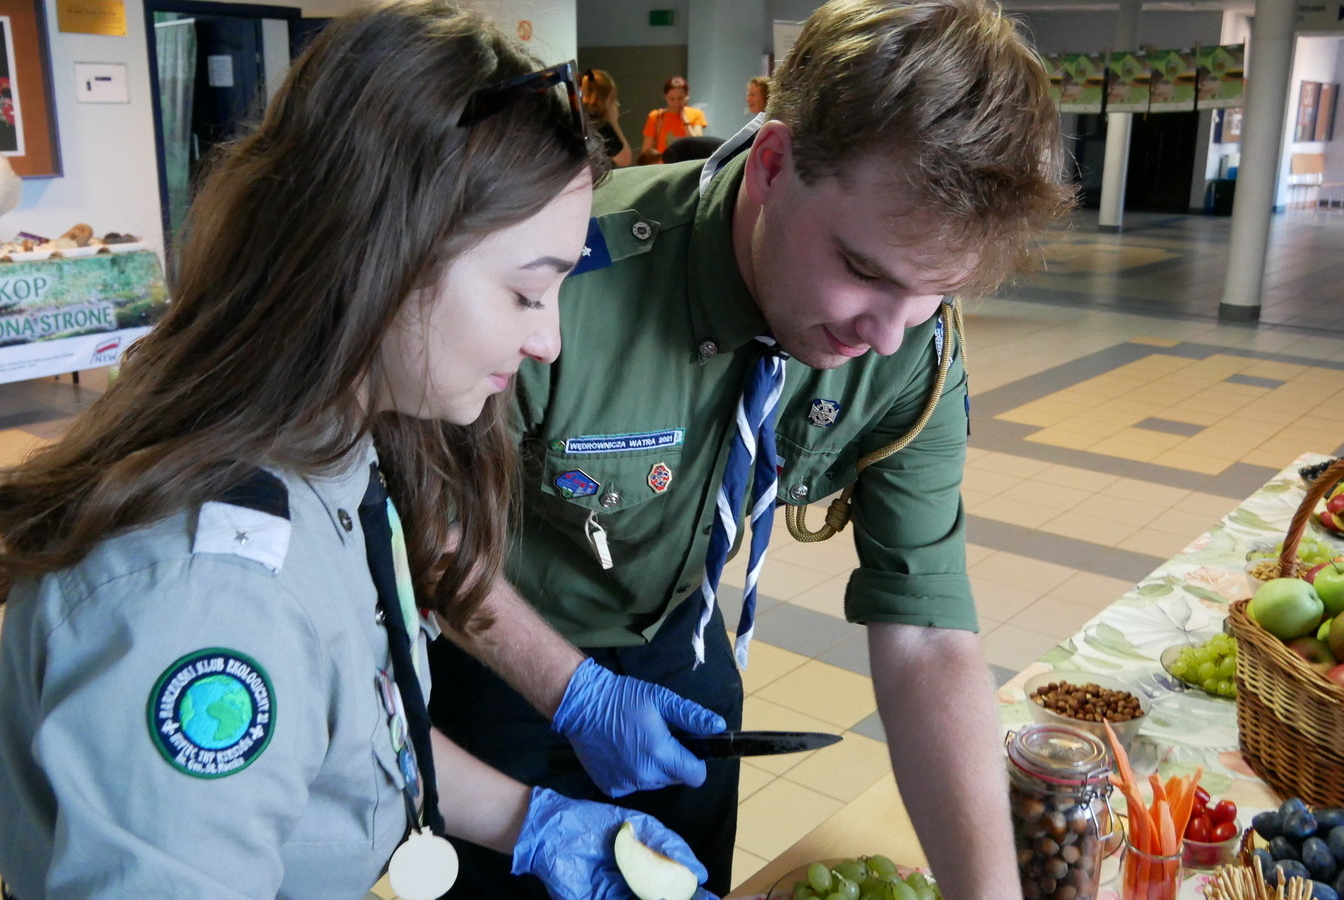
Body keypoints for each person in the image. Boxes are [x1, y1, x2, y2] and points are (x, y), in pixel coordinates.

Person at [0, 4, 717, 899]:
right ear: (383, 254)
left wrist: (529, 819)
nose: (548, 342)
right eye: (524, 292)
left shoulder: (338, 443)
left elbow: (352, 726)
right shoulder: (210, 596)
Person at [427, 0, 1074, 897]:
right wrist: (570, 689)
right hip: (498, 650)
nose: (886, 335)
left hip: (684, 655)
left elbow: (927, 632)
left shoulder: (911, 344)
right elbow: (428, 524)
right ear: (773, 165)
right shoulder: (562, 275)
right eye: (865, 271)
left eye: (935, 291)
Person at [641, 75, 706, 155]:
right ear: (665, 97)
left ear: (687, 95)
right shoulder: (656, 116)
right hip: (663, 162)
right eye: (672, 99)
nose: (676, 104)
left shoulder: (696, 114)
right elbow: (646, 151)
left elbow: (698, 145)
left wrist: (686, 122)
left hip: (687, 161)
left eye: (680, 98)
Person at [581, 67, 632, 167]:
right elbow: (624, 159)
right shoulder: (600, 124)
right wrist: (614, 122)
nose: (617, 104)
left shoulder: (581, 117)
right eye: (613, 99)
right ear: (606, 99)